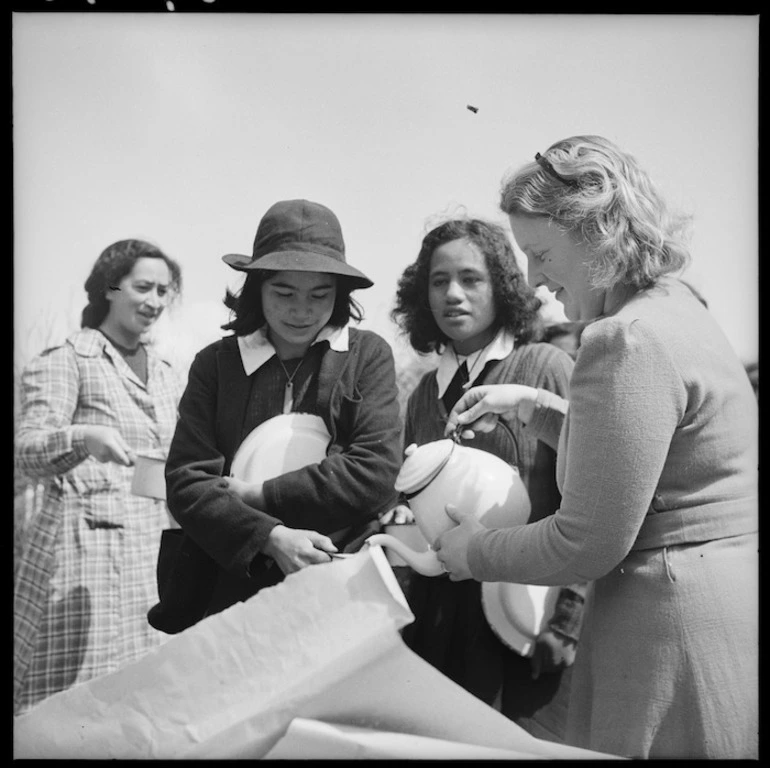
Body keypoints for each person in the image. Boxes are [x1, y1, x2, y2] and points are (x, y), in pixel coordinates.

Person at [440, 136, 758, 759]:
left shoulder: (625, 338)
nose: (533, 279)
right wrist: (538, 409)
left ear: (596, 233)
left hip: (669, 629)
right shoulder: (676, 309)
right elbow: (660, 463)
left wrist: (472, 551)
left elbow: (585, 541)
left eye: (539, 253)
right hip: (717, 611)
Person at [147, 199, 402, 634]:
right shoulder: (216, 364)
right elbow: (187, 482)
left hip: (343, 581)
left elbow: (375, 471)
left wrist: (259, 495)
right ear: (256, 288)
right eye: (283, 293)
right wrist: (268, 537)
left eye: (319, 295)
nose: (301, 310)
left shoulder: (367, 356)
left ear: (340, 294)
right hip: (230, 591)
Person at [389, 217, 585, 742]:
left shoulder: (544, 367)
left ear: (502, 286)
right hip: (440, 630)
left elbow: (594, 499)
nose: (453, 294)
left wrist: (568, 621)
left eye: (471, 278)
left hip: (528, 625)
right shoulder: (423, 395)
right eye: (438, 280)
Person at [14, 239, 183, 715]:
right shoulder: (68, 360)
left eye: (164, 291)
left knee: (138, 705)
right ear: (110, 288)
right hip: (81, 565)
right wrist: (84, 437)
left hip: (150, 565)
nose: (154, 301)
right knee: (63, 708)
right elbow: (25, 450)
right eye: (142, 287)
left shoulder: (171, 376)